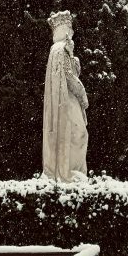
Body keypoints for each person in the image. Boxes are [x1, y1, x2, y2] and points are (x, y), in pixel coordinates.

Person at [42, 11, 89, 182]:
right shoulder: (61, 49)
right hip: (68, 101)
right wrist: (83, 96)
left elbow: (69, 72)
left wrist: (73, 56)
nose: (72, 31)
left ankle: (66, 170)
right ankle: (70, 172)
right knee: (79, 133)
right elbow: (69, 77)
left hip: (62, 101)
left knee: (75, 134)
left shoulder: (56, 50)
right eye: (69, 27)